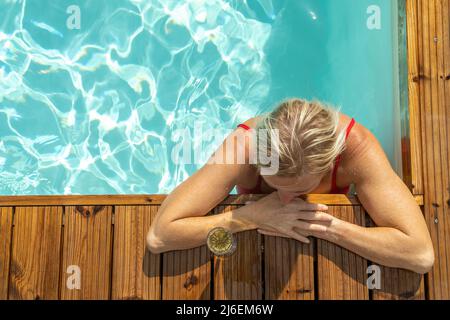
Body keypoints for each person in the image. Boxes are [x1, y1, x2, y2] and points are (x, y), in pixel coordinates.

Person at [146, 98, 434, 274]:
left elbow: (420, 254)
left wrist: (324, 226)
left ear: (330, 163)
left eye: (298, 191)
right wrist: (251, 217)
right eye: (274, 185)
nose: (285, 200)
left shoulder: (355, 149)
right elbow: (160, 235)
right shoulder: (243, 147)